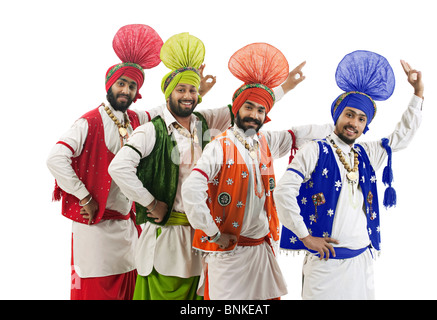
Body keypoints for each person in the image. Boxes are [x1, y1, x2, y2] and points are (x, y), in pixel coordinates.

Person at [108, 34, 319, 300]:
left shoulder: (204, 121)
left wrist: (285, 87)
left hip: (205, 235)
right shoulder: (151, 130)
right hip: (169, 239)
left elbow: (248, 107)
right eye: (181, 90)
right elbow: (118, 168)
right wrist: (151, 203)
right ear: (168, 93)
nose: (188, 96)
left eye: (192, 90)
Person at [181, 43, 333, 300]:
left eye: (260, 110)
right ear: (236, 109)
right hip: (228, 255)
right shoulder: (220, 146)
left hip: (261, 249)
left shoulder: (264, 142)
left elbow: (299, 134)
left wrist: (339, 126)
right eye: (248, 107)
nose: (254, 115)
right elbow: (191, 189)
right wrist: (213, 233)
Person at [274, 50, 424, 300]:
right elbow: (283, 191)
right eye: (349, 114)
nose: (354, 122)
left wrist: (417, 94)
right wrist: (305, 236)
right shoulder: (315, 150)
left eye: (361, 118)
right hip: (325, 266)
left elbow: (400, 138)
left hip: (362, 262)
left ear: (366, 125)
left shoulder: (366, 154)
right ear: (338, 114)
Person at [46, 24, 164, 300]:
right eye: (122, 83)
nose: (126, 90)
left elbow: (165, 111)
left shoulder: (135, 120)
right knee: (97, 290)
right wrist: (85, 197)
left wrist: (194, 90)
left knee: (129, 287)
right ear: (110, 85)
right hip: (95, 228)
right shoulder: (88, 122)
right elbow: (55, 158)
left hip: (126, 225)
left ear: (137, 92)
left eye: (132, 85)